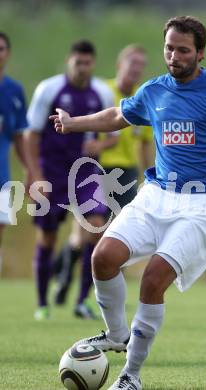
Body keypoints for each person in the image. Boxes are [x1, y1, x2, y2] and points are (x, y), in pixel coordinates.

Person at [50, 16, 206, 390]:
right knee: (102, 257)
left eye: (183, 50)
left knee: (153, 280)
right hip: (156, 196)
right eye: (169, 48)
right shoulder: (154, 90)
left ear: (200, 53)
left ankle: (131, 376)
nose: (174, 56)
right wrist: (74, 123)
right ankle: (117, 334)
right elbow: (118, 115)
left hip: (203, 206)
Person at [54, 44, 153, 306]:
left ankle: (100, 298)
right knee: (84, 234)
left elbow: (144, 142)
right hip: (95, 170)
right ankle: (64, 277)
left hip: (127, 175)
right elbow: (87, 126)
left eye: (140, 66)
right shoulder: (103, 91)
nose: (136, 70)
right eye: (132, 64)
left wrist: (148, 175)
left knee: (120, 237)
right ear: (120, 65)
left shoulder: (144, 99)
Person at [24, 40, 114, 320]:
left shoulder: (101, 92)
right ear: (69, 61)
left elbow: (113, 133)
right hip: (51, 172)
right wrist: (35, 175)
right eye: (78, 62)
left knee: (96, 225)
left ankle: (83, 300)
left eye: (87, 63)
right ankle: (42, 303)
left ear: (93, 63)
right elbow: (32, 134)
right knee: (48, 237)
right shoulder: (48, 90)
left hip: (86, 173)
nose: (82, 68)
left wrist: (100, 147)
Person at [0, 32, 28, 274]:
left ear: (7, 53)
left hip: (2, 176)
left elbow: (19, 136)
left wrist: (31, 171)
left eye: (1, 48)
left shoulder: (13, 91)